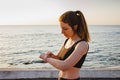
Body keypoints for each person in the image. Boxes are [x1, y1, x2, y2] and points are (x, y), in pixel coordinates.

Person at [39, 10, 90, 80]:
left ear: (75, 27)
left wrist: (46, 58)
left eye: (65, 29)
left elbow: (64, 66)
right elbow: (60, 59)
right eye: (61, 28)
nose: (62, 32)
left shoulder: (82, 44)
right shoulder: (67, 40)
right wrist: (53, 56)